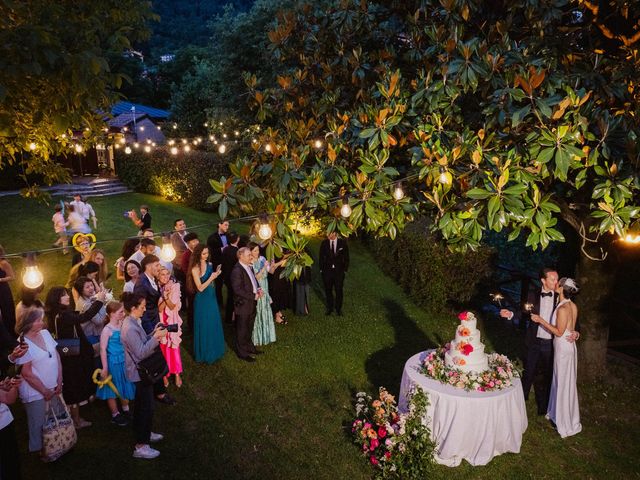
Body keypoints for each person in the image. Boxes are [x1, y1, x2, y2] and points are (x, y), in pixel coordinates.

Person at [500, 268, 578, 415]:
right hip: (534, 340)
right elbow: (524, 312)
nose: (556, 282)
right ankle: (520, 404)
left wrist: (576, 332)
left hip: (552, 343)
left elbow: (571, 318)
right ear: (543, 280)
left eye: (557, 279)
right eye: (552, 279)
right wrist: (510, 313)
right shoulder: (532, 294)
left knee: (546, 375)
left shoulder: (561, 297)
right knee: (528, 371)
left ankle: (544, 407)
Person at [45, 286, 106, 429]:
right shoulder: (63, 315)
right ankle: (77, 420)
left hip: (66, 353)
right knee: (74, 386)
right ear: (57, 299)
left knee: (73, 384)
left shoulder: (55, 314)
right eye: (64, 295)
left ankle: (77, 415)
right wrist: (99, 301)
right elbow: (84, 317)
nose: (68, 297)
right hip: (72, 357)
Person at [531, 278, 582, 438]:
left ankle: (563, 421)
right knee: (563, 380)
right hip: (569, 346)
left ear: (561, 288)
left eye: (558, 283)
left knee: (562, 381)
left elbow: (559, 332)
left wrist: (541, 320)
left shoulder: (562, 309)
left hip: (562, 347)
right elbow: (571, 328)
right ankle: (555, 412)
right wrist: (576, 333)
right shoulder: (572, 305)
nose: (555, 284)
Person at [120, 292, 167, 459]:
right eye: (142, 307)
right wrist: (156, 338)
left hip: (140, 372)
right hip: (139, 374)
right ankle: (141, 446)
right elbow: (140, 352)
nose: (145, 309)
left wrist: (153, 333)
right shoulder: (129, 327)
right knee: (145, 408)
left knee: (143, 407)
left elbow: (141, 342)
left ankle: (145, 433)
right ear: (133, 308)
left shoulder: (133, 321)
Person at [14, 306, 64, 454]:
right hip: (36, 392)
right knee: (38, 422)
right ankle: (41, 451)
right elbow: (27, 373)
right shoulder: (22, 343)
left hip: (54, 386)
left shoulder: (45, 333)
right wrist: (44, 391)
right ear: (28, 323)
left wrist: (59, 379)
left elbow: (56, 356)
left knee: (55, 418)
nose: (42, 322)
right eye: (38, 320)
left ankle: (58, 443)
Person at [96, 301, 135, 426]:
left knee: (124, 383)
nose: (124, 314)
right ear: (112, 314)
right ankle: (115, 414)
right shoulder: (107, 330)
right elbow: (102, 349)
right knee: (112, 388)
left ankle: (126, 409)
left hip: (124, 360)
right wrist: (105, 368)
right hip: (113, 362)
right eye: (121, 312)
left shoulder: (121, 324)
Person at [187, 245, 225, 364]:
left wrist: (215, 274)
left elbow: (211, 282)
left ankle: (215, 349)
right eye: (203, 254)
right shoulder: (195, 268)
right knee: (205, 325)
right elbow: (200, 288)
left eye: (207, 253)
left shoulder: (209, 264)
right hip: (202, 300)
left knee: (213, 322)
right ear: (198, 254)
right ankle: (204, 352)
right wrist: (211, 277)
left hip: (211, 297)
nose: (206, 256)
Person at [231, 247, 262, 362]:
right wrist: (253, 296)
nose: (251, 257)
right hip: (243, 304)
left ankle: (249, 347)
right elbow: (237, 289)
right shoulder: (237, 271)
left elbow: (253, 280)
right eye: (249, 255)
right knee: (242, 329)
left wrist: (258, 288)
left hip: (252, 303)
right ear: (241, 256)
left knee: (249, 327)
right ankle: (242, 353)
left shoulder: (249, 266)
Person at [157, 267, 183, 387]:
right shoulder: (156, 288)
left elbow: (172, 307)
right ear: (158, 276)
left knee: (174, 346)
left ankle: (177, 373)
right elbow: (160, 309)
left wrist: (166, 297)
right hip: (162, 321)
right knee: (163, 348)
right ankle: (164, 375)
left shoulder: (175, 286)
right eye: (162, 275)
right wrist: (163, 296)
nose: (165, 277)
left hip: (172, 320)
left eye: (167, 274)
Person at [248, 243, 276, 346]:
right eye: (255, 250)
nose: (257, 252)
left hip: (265, 287)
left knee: (265, 310)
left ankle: (267, 335)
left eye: (258, 250)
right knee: (258, 311)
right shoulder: (250, 262)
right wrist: (264, 268)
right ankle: (257, 337)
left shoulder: (262, 259)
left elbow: (271, 272)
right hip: (257, 289)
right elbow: (256, 277)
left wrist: (272, 265)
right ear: (250, 251)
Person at [0, 363, 23, 478]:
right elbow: (9, 398)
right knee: (8, 460)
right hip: (2, 426)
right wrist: (15, 386)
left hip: (5, 422)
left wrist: (3, 387)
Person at [319, 232, 349, 316]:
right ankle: (330, 308)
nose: (327, 234)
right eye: (327, 232)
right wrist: (321, 269)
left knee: (339, 290)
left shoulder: (342, 243)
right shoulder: (324, 243)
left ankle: (338, 309)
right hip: (327, 271)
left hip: (339, 272)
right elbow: (321, 256)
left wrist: (345, 269)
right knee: (328, 290)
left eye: (329, 233)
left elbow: (346, 257)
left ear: (334, 233)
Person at [73, 276, 108, 348]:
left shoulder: (87, 298)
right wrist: (101, 301)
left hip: (92, 332)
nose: (91, 288)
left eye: (91, 285)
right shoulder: (85, 305)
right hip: (92, 335)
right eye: (87, 287)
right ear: (81, 290)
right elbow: (99, 321)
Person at [206, 220, 229, 306]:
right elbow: (209, 251)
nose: (227, 227)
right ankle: (219, 302)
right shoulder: (212, 238)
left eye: (228, 225)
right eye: (226, 225)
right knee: (218, 285)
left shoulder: (229, 236)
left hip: (227, 263)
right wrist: (221, 249)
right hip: (217, 264)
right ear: (219, 225)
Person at [180, 233, 199, 332]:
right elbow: (185, 270)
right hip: (191, 284)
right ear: (188, 243)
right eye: (193, 241)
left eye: (196, 240)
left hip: (200, 282)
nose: (196, 243)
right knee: (192, 305)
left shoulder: (198, 252)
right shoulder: (186, 255)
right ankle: (191, 325)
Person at [221, 232, 240, 324]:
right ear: (237, 240)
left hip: (226, 277)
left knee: (229, 297)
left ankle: (228, 317)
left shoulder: (225, 249)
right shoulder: (238, 252)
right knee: (234, 297)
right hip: (234, 278)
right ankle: (234, 316)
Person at [269, 253, 290, 324]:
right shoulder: (271, 245)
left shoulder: (282, 244)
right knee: (276, 292)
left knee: (281, 291)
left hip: (281, 270)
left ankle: (279, 311)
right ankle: (277, 315)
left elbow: (285, 256)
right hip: (275, 272)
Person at [0, 245, 16, 337]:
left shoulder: (4, 263)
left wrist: (0, 280)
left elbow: (12, 277)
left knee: (7, 312)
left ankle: (11, 333)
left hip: (3, 291)